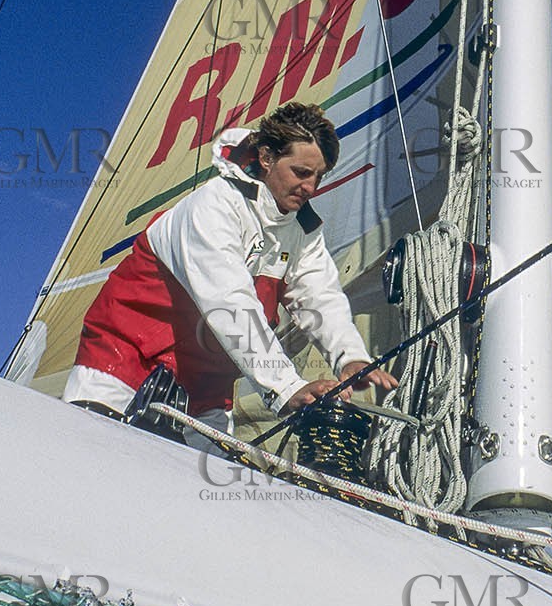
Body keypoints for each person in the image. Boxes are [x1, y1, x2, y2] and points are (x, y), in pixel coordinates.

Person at [63, 102, 399, 452]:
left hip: (206, 394)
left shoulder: (304, 233)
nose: (310, 186)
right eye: (301, 172)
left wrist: (350, 357)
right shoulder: (213, 206)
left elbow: (321, 299)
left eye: (319, 176)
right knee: (91, 471)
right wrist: (286, 387)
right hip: (121, 367)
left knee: (191, 498)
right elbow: (230, 302)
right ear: (267, 158)